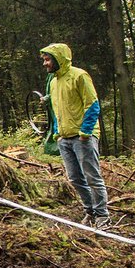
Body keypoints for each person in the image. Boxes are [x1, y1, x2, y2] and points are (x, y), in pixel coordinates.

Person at [40, 43, 110, 228]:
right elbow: (56, 110)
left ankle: (103, 216)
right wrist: (57, 133)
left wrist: (85, 132)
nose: (45, 64)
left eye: (48, 60)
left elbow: (93, 104)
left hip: (83, 137)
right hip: (64, 138)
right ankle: (90, 211)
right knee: (75, 178)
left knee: (92, 177)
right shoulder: (53, 82)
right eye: (45, 60)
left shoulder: (79, 75)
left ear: (58, 59)